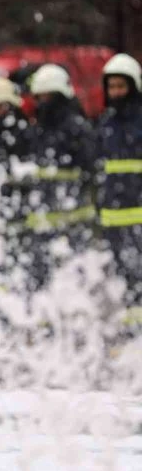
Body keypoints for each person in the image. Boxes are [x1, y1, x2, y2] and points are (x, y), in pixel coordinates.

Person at [3, 64, 96, 292]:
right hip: (41, 220)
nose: (41, 101)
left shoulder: (76, 129)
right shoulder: (37, 130)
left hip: (72, 221)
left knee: (74, 282)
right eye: (39, 96)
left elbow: (91, 169)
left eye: (46, 96)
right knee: (41, 282)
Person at [95, 54, 142, 315]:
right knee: (122, 274)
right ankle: (130, 326)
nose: (116, 92)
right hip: (114, 216)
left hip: (139, 211)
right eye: (111, 87)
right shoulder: (105, 124)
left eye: (121, 86)